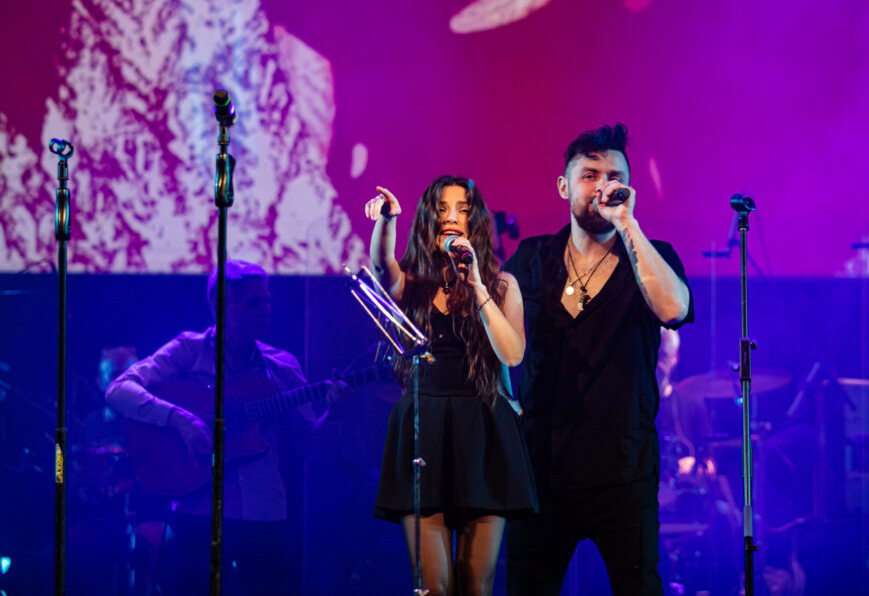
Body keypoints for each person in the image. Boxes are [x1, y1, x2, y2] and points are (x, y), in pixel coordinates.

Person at [503, 123, 694, 595]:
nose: (604, 186)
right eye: (589, 176)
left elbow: (674, 310)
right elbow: (494, 338)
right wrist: (507, 403)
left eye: (615, 176)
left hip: (623, 470)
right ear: (564, 187)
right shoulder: (532, 258)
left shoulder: (653, 255)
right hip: (542, 469)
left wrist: (627, 224)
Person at [105, 260, 345, 595]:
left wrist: (334, 414)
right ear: (220, 307)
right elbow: (118, 390)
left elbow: (308, 445)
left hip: (264, 512)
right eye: (253, 302)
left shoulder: (282, 366)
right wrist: (179, 418)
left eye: (267, 299)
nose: (265, 309)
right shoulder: (188, 350)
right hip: (197, 508)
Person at [367, 175, 537, 596]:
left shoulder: (501, 285)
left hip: (484, 432)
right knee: (434, 586)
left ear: (475, 221)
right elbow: (382, 268)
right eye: (442, 209)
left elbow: (512, 353)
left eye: (462, 209)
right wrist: (387, 220)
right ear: (428, 218)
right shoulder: (413, 284)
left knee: (476, 583)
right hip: (424, 429)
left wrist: (476, 285)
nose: (451, 218)